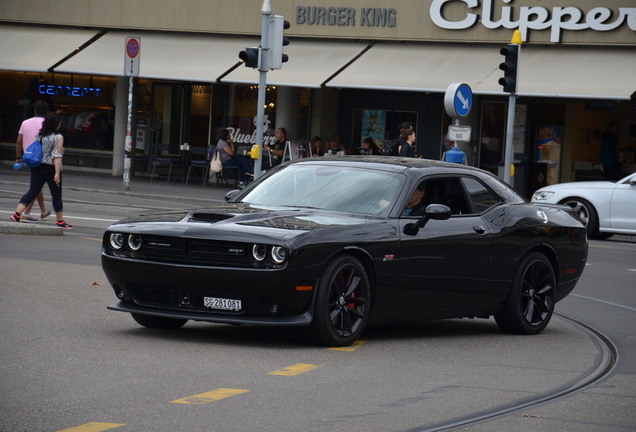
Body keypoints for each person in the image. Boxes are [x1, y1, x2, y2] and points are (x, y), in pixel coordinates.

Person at [10, 112, 72, 229]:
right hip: (50, 168)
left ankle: (16, 214)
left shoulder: (39, 135)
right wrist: (57, 173)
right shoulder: (58, 137)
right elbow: (57, 155)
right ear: (56, 124)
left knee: (33, 191)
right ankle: (60, 221)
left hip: (36, 166)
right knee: (56, 194)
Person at [14, 100, 51, 222]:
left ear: (34, 111)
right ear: (47, 112)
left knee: (37, 185)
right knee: (35, 186)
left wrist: (18, 157)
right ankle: (26, 213)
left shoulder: (25, 122)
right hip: (43, 158)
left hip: (29, 157)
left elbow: (19, 141)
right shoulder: (48, 124)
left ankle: (43, 211)